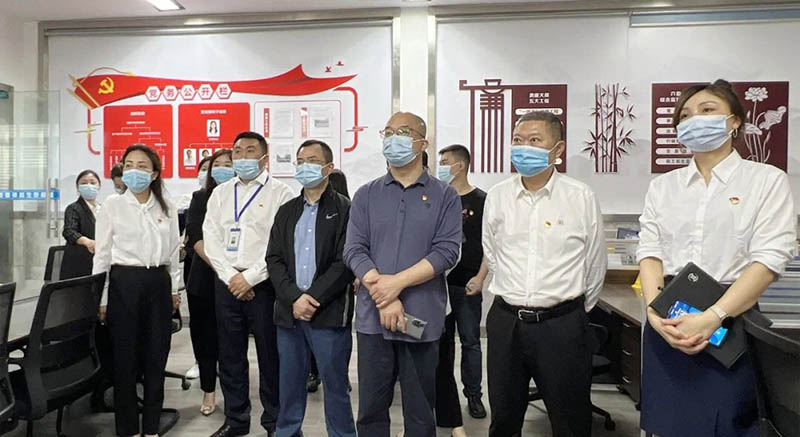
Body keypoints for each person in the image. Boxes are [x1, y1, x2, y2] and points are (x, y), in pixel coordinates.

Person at [637, 79, 796, 437]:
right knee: (666, 425)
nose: (694, 120)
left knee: (728, 424)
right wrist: (653, 313)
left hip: (730, 319)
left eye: (707, 110)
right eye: (685, 116)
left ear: (735, 121)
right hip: (668, 319)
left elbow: (769, 260)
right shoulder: (663, 186)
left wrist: (713, 316)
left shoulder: (765, 181)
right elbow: (649, 252)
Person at [483, 111, 607, 437]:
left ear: (558, 149)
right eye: (518, 140)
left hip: (561, 326)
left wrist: (568, 310)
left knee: (570, 422)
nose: (524, 147)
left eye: (535, 140)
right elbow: (492, 255)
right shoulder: (497, 196)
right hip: (506, 322)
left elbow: (595, 265)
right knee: (503, 419)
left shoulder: (580, 197)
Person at [344, 111, 462, 437]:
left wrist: (395, 284)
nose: (393, 138)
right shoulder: (366, 194)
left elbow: (446, 252)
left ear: (423, 143)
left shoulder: (445, 196)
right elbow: (354, 249)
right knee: (370, 410)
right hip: (373, 319)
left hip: (420, 318)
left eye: (404, 132)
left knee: (421, 410)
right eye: (388, 132)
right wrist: (384, 297)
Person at [203, 131, 294, 437]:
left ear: (265, 158)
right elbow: (211, 239)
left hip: (264, 285)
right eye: (237, 151)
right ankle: (236, 419)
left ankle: (275, 422)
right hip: (227, 283)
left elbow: (281, 245)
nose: (242, 157)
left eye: (250, 151)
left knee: (270, 356)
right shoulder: (221, 193)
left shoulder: (281, 193)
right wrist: (231, 277)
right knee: (230, 356)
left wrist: (250, 277)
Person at [267, 139, 356, 437]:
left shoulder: (345, 210)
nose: (305, 166)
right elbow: (274, 258)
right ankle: (287, 432)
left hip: (328, 312)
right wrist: (294, 297)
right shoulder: (286, 210)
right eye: (301, 161)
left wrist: (312, 298)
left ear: (328, 168)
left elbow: (344, 262)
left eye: (313, 161)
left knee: (335, 385)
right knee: (289, 384)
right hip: (289, 313)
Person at [93, 144, 182, 437]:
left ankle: (152, 427)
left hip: (158, 283)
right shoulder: (112, 205)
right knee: (125, 360)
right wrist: (101, 297)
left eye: (142, 166)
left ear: (154, 173)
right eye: (129, 165)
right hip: (124, 284)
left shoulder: (167, 206)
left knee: (156, 357)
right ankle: (128, 429)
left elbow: (173, 252)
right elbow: (102, 255)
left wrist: (175, 289)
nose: (134, 171)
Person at [435, 144, 489, 436]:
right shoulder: (437, 197)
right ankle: (445, 399)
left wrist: (480, 278)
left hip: (468, 283)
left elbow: (490, 246)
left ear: (460, 166)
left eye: (445, 162)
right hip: (439, 285)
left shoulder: (482, 200)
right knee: (442, 344)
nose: (441, 167)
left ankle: (474, 395)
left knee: (470, 341)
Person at [184, 151, 233, 415]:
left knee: (231, 339)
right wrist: (221, 267)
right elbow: (195, 236)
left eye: (228, 165)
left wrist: (233, 272)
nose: (222, 169)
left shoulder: (241, 197)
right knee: (205, 337)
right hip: (205, 276)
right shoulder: (200, 197)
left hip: (238, 278)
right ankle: (208, 391)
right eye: (218, 165)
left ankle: (234, 393)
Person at [303, 168, 351, 393]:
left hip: (332, 292)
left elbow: (345, 259)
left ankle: (323, 374)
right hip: (306, 293)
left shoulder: (345, 210)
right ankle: (330, 374)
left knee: (333, 338)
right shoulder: (294, 210)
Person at [61, 169, 102, 279]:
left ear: (99, 186)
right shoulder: (73, 208)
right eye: (84, 183)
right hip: (78, 263)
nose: (89, 185)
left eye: (93, 182)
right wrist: (87, 242)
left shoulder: (103, 209)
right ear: (78, 187)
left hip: (100, 261)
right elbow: (69, 231)